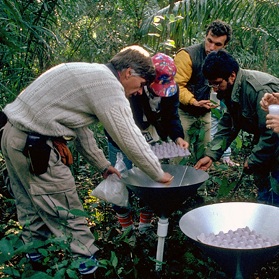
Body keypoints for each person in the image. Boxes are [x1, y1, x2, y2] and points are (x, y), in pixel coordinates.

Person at [0, 45, 174, 275]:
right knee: (71, 218)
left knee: (32, 211)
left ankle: (34, 268)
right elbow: (129, 136)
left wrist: (102, 165)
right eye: (142, 84)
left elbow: (80, 129)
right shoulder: (108, 85)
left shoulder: (91, 74)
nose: (141, 91)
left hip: (12, 137)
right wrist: (157, 173)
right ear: (128, 72)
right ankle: (88, 269)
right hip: (35, 148)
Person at [105, 53, 188, 237]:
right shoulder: (129, 88)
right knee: (119, 179)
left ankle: (145, 225)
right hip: (122, 136)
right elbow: (117, 121)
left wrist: (177, 137)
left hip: (152, 136)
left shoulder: (171, 92)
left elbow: (171, 117)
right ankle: (126, 229)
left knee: (153, 179)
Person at [194, 50, 279, 206]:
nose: (214, 89)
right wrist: (211, 155)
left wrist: (253, 159)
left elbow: (271, 133)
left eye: (217, 83)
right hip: (267, 143)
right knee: (264, 189)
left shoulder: (258, 90)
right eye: (211, 84)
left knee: (275, 191)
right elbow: (228, 124)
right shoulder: (232, 89)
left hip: (275, 143)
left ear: (232, 76)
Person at [174, 20, 233, 162]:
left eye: (218, 44)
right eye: (209, 41)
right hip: (183, 112)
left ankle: (200, 184)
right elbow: (176, 86)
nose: (211, 47)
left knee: (205, 155)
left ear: (225, 45)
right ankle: (175, 183)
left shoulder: (222, 60)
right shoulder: (187, 55)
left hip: (205, 113)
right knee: (178, 156)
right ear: (205, 36)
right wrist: (193, 101)